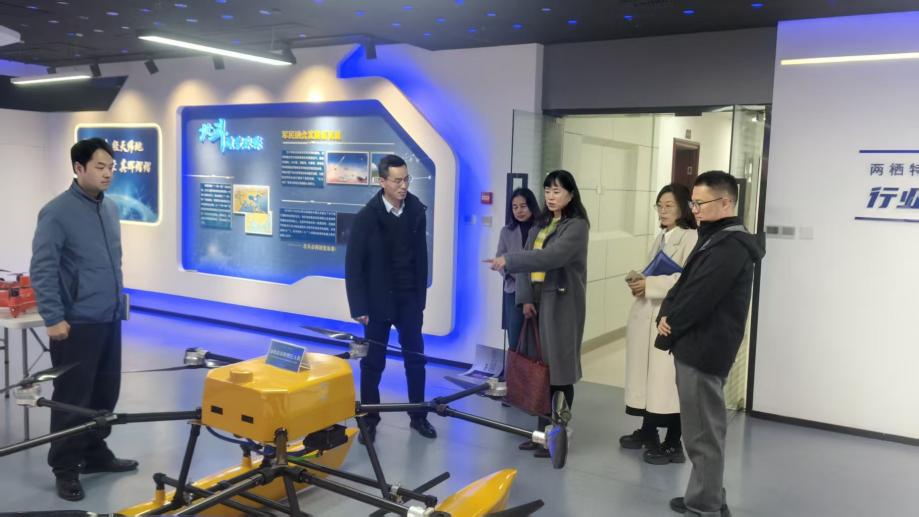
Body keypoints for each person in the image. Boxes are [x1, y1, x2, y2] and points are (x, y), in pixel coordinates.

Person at [30, 138, 136, 502]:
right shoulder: (57, 212)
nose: (108, 174)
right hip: (75, 323)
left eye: (111, 167)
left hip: (109, 317)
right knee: (73, 398)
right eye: (100, 167)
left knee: (105, 393)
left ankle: (94, 452)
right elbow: (43, 268)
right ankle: (66, 467)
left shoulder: (110, 208)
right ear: (79, 168)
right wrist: (53, 317)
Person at [655, 171, 764, 517]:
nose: (695, 210)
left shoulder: (730, 246)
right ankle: (708, 494)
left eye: (700, 203)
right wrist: (666, 311)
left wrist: (671, 323)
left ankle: (705, 506)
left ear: (726, 202)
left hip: (705, 350)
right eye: (694, 203)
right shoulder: (714, 237)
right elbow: (684, 283)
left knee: (703, 434)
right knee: (701, 429)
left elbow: (699, 296)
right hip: (696, 345)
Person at [487, 170, 589, 458]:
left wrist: (509, 260)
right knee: (540, 372)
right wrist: (525, 299)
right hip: (537, 304)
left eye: (557, 191)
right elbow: (527, 264)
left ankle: (557, 437)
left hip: (562, 306)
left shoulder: (577, 226)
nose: (551, 197)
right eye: (547, 191)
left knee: (560, 373)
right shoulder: (541, 224)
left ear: (571, 194)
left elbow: (550, 257)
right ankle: (542, 433)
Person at [345, 154, 436, 443]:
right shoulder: (367, 217)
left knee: (416, 360)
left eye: (406, 179)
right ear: (382, 181)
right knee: (373, 363)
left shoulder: (416, 211)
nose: (403, 186)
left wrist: (420, 300)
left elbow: (421, 259)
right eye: (397, 181)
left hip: (409, 300)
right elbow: (354, 265)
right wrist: (359, 307)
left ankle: (418, 416)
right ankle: (369, 419)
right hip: (377, 302)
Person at [621, 184, 698, 465]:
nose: (662, 211)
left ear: (684, 208)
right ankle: (648, 431)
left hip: (670, 316)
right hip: (648, 313)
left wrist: (650, 284)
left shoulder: (691, 237)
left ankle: (673, 444)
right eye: (659, 206)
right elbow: (654, 271)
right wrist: (640, 281)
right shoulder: (661, 237)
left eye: (669, 206)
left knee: (668, 384)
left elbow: (687, 279)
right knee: (648, 380)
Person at [495, 187, 539, 355]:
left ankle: (536, 371)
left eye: (523, 206)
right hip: (513, 291)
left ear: (531, 206)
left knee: (537, 337)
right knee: (515, 338)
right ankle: (515, 370)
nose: (519, 211)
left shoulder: (541, 230)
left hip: (538, 290)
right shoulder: (506, 231)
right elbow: (500, 260)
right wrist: (514, 273)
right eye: (515, 207)